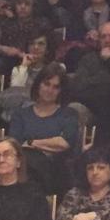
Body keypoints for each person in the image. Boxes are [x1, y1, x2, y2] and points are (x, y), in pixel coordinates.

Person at [9, 65, 82, 194]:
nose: (50, 90)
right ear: (38, 85)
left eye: (56, 87)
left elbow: (64, 144)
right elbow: (15, 145)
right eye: (46, 84)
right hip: (24, 170)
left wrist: (31, 142)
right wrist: (48, 145)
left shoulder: (69, 114)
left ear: (61, 91)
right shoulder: (20, 115)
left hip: (56, 173)